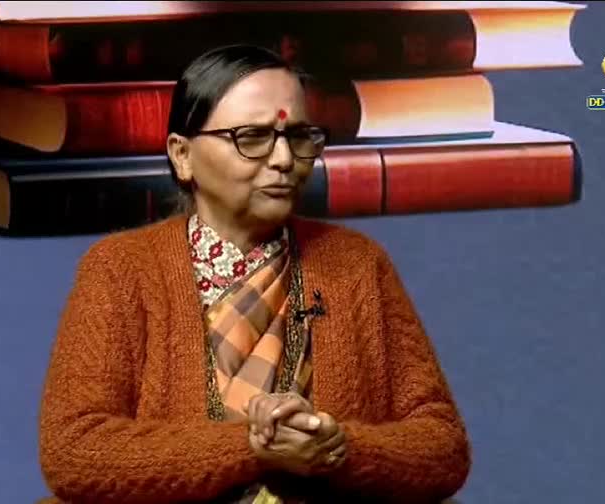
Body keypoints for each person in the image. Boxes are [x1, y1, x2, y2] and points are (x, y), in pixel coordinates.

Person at [38, 44, 471, 503]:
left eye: (299, 136)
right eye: (252, 137)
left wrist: (338, 446)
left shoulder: (357, 264)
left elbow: (442, 445)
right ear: (182, 155)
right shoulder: (122, 270)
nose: (284, 159)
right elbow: (74, 450)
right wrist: (252, 446)